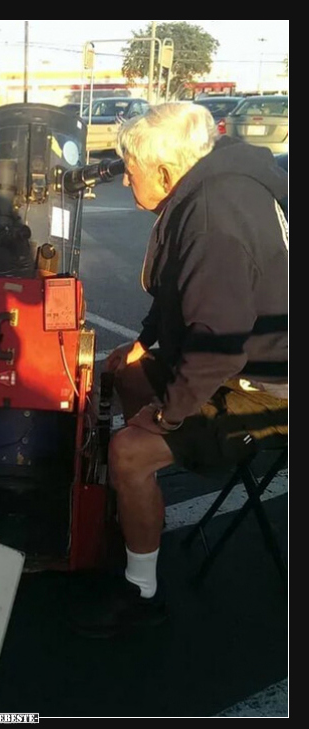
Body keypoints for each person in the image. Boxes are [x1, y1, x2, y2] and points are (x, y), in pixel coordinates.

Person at [73, 101, 288, 638]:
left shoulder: (213, 220)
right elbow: (180, 293)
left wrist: (166, 416)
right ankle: (138, 506)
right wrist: (144, 343)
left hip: (268, 386)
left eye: (132, 171)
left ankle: (142, 593)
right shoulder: (207, 185)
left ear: (166, 173)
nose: (126, 180)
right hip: (238, 358)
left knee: (129, 451)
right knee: (125, 372)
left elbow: (219, 346)